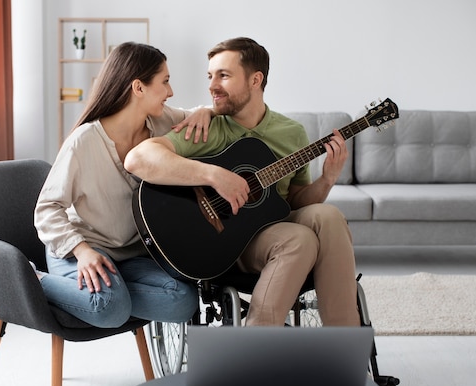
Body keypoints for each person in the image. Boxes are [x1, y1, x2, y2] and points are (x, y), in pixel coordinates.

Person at [124, 37, 360, 327]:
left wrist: (327, 179)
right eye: (210, 76)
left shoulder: (292, 132)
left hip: (276, 224)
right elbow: (139, 159)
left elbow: (296, 201)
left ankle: (344, 342)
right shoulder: (207, 128)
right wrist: (214, 175)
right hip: (230, 238)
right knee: (299, 240)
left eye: (223, 75)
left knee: (330, 215)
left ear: (255, 80)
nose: (212, 85)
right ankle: (253, 349)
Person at [34, 42, 209, 328]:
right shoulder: (84, 141)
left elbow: (200, 114)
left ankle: (113, 295)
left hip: (131, 257)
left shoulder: (161, 122)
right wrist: (82, 251)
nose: (171, 91)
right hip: (82, 250)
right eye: (164, 81)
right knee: (109, 309)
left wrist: (205, 112)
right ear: (138, 87)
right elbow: (46, 209)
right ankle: (35, 280)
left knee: (183, 302)